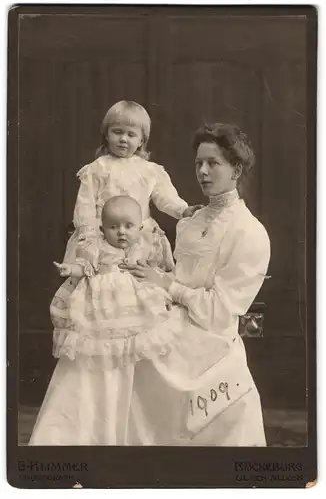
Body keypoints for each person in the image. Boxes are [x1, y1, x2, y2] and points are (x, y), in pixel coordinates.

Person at [120, 123, 271, 446]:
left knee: (136, 355)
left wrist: (167, 285)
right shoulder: (193, 219)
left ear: (237, 169)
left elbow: (219, 313)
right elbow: (178, 276)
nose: (202, 171)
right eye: (198, 163)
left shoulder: (250, 233)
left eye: (213, 163)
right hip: (172, 319)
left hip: (207, 340)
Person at [29, 196, 181, 445]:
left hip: (135, 311)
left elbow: (159, 270)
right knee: (97, 361)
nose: (121, 232)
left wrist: (157, 281)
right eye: (113, 227)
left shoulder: (146, 245)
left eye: (128, 226)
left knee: (139, 358)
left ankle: (138, 422)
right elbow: (85, 267)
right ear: (102, 229)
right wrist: (71, 270)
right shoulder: (96, 247)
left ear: (139, 227)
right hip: (101, 311)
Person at [63, 100, 199, 273]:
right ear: (106, 134)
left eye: (131, 135)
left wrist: (183, 210)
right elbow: (85, 204)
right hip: (105, 235)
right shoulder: (97, 169)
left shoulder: (149, 170)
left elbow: (165, 197)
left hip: (138, 235)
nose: (123, 139)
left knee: (139, 282)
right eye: (117, 132)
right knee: (103, 282)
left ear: (142, 139)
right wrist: (89, 232)